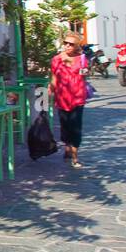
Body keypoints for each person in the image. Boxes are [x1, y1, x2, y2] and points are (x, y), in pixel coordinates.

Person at [49, 31, 89, 169]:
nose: (67, 46)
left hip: (77, 96)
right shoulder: (56, 59)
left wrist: (85, 72)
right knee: (65, 125)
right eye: (65, 43)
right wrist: (50, 90)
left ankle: (75, 157)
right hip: (62, 97)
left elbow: (84, 75)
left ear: (77, 46)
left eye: (71, 44)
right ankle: (67, 146)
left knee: (76, 127)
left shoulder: (82, 59)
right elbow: (54, 77)